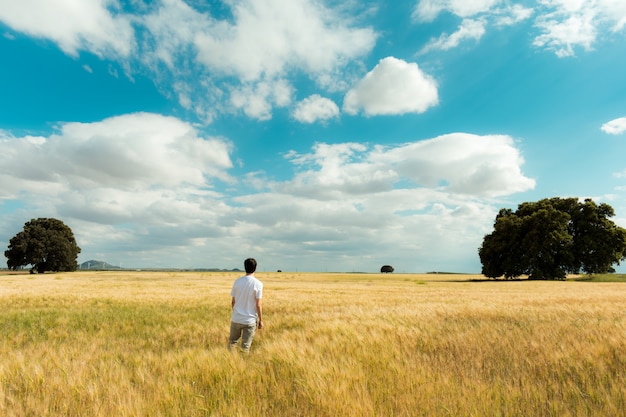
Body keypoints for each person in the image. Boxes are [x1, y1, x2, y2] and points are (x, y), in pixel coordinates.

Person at [229, 258, 263, 353]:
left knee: (232, 343)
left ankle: (231, 361)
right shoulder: (258, 284)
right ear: (255, 268)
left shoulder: (237, 282)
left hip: (236, 318)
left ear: (245, 268)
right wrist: (261, 320)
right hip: (250, 320)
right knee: (245, 347)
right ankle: (243, 365)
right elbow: (258, 305)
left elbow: (233, 302)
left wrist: (236, 313)